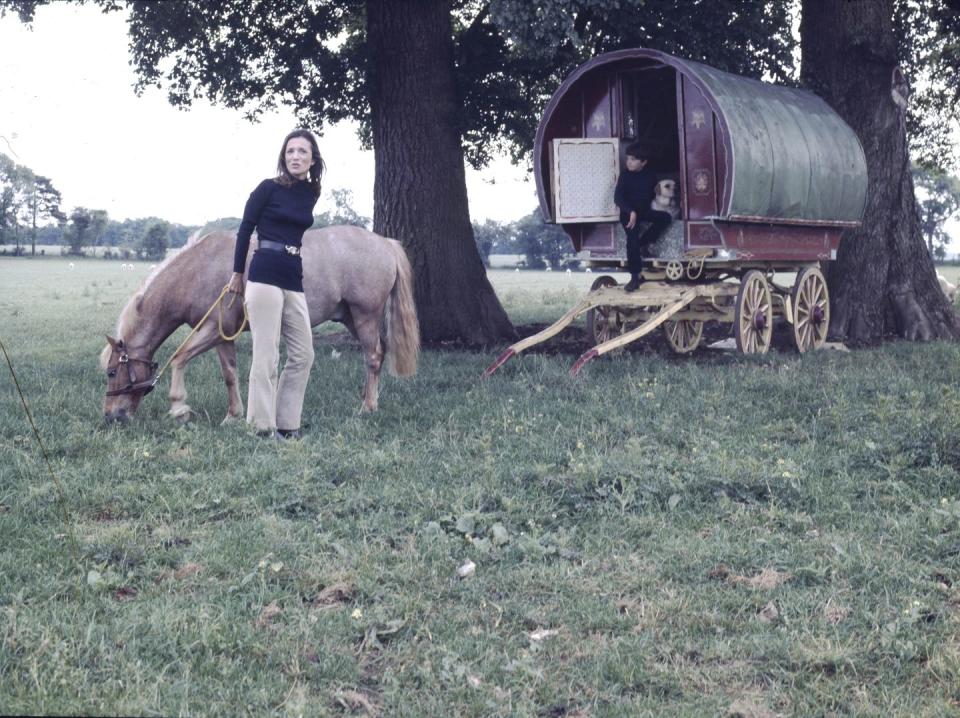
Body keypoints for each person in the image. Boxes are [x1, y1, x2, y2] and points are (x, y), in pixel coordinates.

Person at [227, 129, 324, 439]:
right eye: (290, 151)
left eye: (302, 152)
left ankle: (287, 424)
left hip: (292, 277)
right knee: (266, 355)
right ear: (284, 156)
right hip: (264, 274)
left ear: (312, 159)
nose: (295, 156)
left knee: (303, 354)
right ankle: (261, 428)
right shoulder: (267, 188)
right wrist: (236, 274)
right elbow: (245, 230)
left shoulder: (311, 192)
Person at [613, 142, 672, 292]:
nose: (629, 162)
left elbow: (654, 194)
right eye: (628, 159)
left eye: (633, 159)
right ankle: (634, 278)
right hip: (628, 214)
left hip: (643, 211)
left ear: (643, 162)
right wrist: (630, 211)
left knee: (665, 218)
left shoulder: (650, 175)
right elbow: (618, 198)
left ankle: (644, 242)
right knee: (631, 240)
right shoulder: (625, 175)